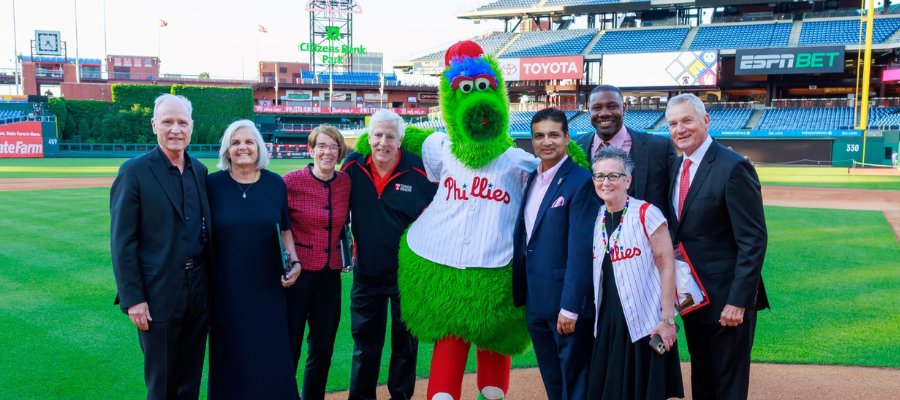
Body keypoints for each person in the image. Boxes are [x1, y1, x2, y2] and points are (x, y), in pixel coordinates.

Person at [665, 93, 768, 400]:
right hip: (693, 300)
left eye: (687, 120)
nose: (680, 129)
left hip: (727, 302)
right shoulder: (676, 167)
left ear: (706, 121)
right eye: (673, 123)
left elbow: (753, 240)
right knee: (703, 379)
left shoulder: (733, 167)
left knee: (728, 386)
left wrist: (738, 301)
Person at [110, 94, 211, 400]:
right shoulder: (134, 171)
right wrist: (133, 300)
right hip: (156, 296)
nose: (175, 129)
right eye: (168, 122)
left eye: (182, 122)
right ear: (155, 125)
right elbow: (122, 242)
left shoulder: (200, 171)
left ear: (191, 127)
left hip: (198, 291)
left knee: (190, 381)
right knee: (163, 383)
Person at [341, 109, 437, 400]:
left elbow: (442, 212)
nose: (383, 142)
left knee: (405, 347)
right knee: (364, 346)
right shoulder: (352, 166)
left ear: (400, 140)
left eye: (390, 137)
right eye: (378, 135)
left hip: (406, 277)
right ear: (369, 137)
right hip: (366, 273)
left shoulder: (419, 170)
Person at [205, 120, 302, 399]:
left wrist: (295, 263)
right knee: (230, 356)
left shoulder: (275, 184)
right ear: (227, 150)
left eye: (249, 142)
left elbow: (284, 229)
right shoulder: (211, 184)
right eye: (235, 143)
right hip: (225, 289)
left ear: (259, 147)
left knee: (271, 356)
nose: (243, 147)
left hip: (269, 288)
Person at [512, 108, 598, 400]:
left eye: (553, 135)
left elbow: (582, 250)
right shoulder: (532, 178)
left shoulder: (581, 181)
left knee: (575, 384)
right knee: (553, 382)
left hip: (565, 305)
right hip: (537, 302)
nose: (546, 142)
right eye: (539, 136)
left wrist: (571, 307)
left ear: (566, 138)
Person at [587, 145, 684, 400]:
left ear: (628, 180)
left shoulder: (646, 212)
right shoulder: (597, 217)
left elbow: (667, 265)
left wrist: (667, 320)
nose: (606, 182)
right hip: (608, 321)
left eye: (614, 176)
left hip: (643, 321)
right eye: (600, 176)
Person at [283, 125, 352, 400]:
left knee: (323, 347)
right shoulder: (290, 181)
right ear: (310, 150)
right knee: (289, 345)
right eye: (321, 146)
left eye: (333, 146)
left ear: (340, 151)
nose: (327, 152)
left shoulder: (346, 183)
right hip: (297, 276)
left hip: (330, 275)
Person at [576, 85, 678, 222]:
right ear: (589, 112)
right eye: (597, 108)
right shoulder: (574, 147)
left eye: (612, 106)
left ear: (624, 108)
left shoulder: (660, 148)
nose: (604, 113)